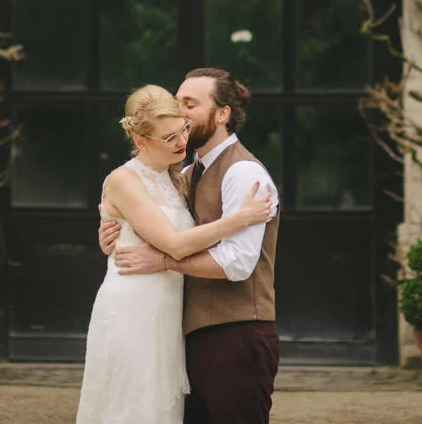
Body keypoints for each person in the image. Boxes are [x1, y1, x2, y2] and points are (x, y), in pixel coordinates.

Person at [75, 84, 274, 424]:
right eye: (169, 138)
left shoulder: (177, 177)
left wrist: (113, 229)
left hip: (169, 315)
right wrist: (239, 218)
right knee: (132, 406)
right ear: (140, 140)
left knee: (162, 406)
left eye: (183, 129)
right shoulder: (124, 180)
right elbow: (176, 244)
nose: (182, 141)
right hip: (133, 308)